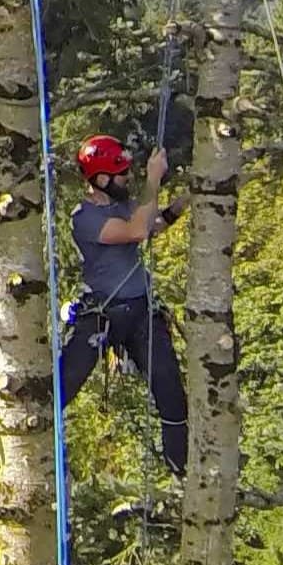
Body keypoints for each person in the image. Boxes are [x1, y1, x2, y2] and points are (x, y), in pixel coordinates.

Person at [61, 134, 189, 474]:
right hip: (103, 313)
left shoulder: (123, 206)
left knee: (171, 391)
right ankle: (41, 442)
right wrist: (153, 179)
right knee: (64, 384)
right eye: (122, 174)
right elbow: (136, 232)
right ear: (101, 179)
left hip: (140, 310)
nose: (127, 179)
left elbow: (152, 224)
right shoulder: (84, 217)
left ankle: (182, 468)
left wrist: (180, 204)